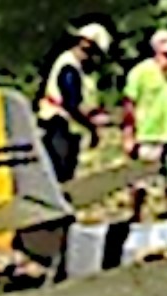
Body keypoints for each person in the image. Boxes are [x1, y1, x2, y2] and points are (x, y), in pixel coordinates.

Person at [121, 28, 167, 220]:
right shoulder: (140, 71)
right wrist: (129, 134)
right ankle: (135, 215)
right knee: (142, 179)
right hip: (148, 133)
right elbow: (129, 104)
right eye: (165, 52)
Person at [36, 18, 115, 182]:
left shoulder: (75, 67)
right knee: (60, 172)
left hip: (65, 125)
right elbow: (71, 103)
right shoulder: (69, 67)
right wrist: (91, 127)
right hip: (58, 124)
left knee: (65, 171)